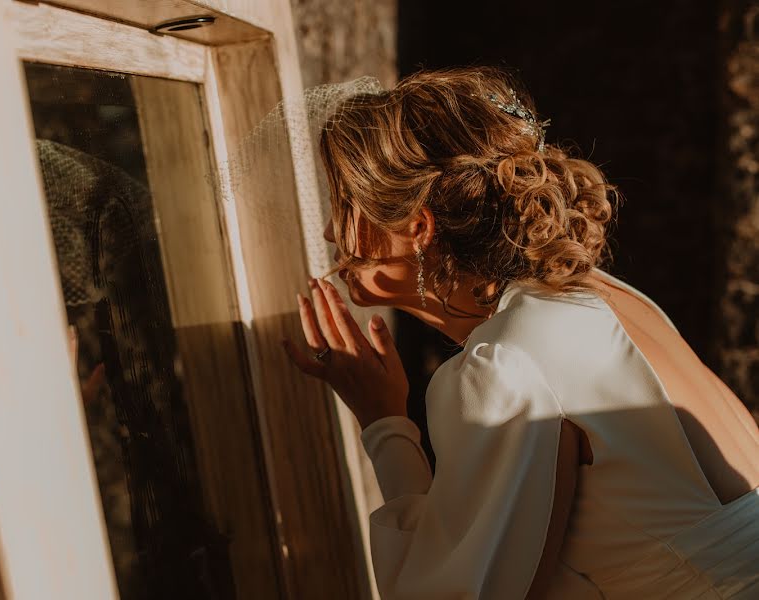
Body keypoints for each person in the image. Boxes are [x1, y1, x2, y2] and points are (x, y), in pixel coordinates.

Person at [282, 67, 759, 599]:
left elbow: (454, 591)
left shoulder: (509, 361)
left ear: (417, 226)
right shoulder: (597, 295)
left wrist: (384, 423)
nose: (328, 232)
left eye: (345, 204)